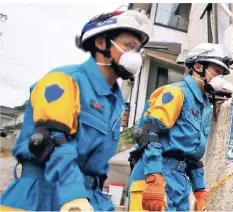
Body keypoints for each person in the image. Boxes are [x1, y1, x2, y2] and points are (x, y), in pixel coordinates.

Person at [0, 9, 152, 211]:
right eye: (128, 46)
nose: (135, 56)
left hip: (91, 196)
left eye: (138, 50)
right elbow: (51, 142)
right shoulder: (65, 80)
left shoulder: (115, 102)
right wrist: (73, 196)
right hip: (44, 195)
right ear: (101, 43)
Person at [126, 43, 233, 211]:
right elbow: (148, 131)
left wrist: (199, 192)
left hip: (180, 181)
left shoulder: (204, 105)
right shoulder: (176, 93)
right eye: (216, 71)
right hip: (156, 173)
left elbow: (192, 156)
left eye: (221, 73)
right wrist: (153, 177)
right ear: (198, 66)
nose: (219, 77)